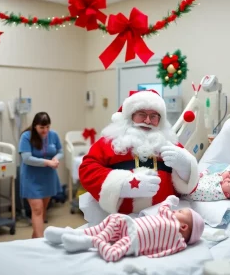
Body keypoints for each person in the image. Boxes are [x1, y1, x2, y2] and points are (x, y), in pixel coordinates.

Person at [79, 90, 199, 224]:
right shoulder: (109, 141)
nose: (148, 121)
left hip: (164, 218)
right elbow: (87, 169)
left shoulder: (171, 143)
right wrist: (123, 184)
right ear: (130, 116)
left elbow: (192, 186)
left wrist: (185, 167)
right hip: (120, 219)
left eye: (154, 116)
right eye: (142, 114)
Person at [44, 195, 204, 261]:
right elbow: (164, 207)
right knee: (114, 219)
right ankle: (74, 233)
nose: (177, 211)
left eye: (181, 211)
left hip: (135, 241)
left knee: (112, 254)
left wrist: (149, 255)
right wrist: (170, 200)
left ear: (184, 226)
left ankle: (90, 242)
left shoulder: (179, 242)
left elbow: (165, 253)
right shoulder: (167, 216)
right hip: (130, 224)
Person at [19, 112, 63, 238]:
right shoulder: (26, 137)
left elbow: (60, 151)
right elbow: (27, 158)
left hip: (48, 177)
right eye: (41, 128)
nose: (45, 131)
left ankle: (35, 240)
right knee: (37, 209)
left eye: (47, 127)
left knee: (42, 211)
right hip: (31, 178)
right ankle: (40, 242)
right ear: (35, 126)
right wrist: (47, 162)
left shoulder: (53, 135)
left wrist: (56, 158)